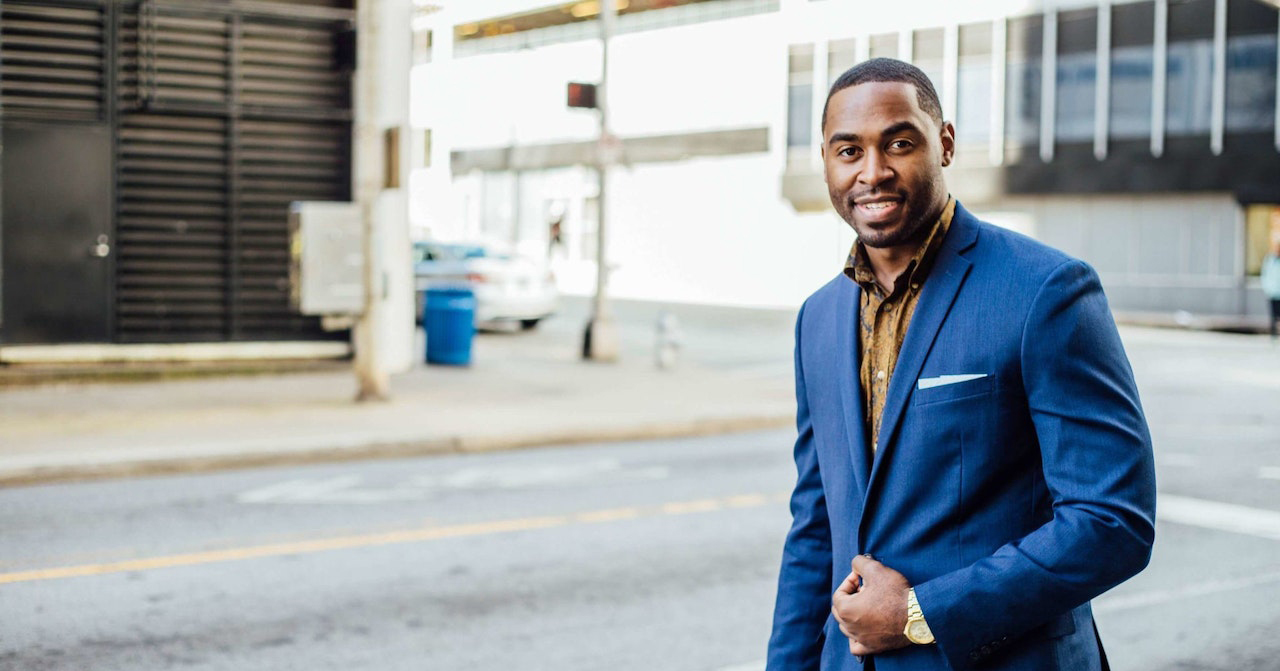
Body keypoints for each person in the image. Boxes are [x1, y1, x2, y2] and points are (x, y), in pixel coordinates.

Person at [766, 58, 1156, 671]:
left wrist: (922, 612)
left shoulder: (1045, 290)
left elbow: (1113, 522)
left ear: (943, 144)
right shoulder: (817, 318)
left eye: (899, 143)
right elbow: (816, 529)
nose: (873, 172)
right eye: (848, 151)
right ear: (825, 161)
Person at [1262, 221, 1280, 342]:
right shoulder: (1270, 260)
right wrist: (1267, 287)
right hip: (1272, 291)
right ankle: (1273, 334)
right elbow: (1265, 274)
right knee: (1273, 315)